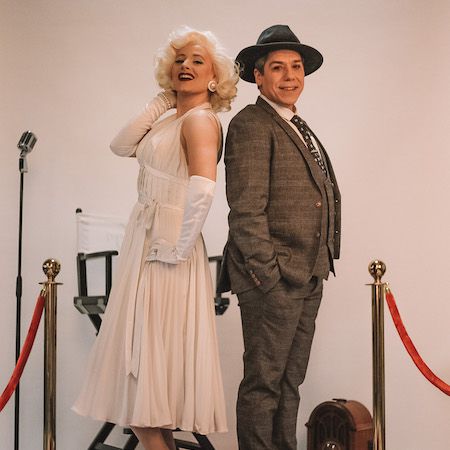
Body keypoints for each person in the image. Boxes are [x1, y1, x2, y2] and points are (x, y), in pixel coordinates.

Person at [73, 26, 238, 450]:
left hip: (168, 246)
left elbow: (203, 188)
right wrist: (161, 102)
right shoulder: (172, 117)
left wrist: (178, 248)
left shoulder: (200, 121)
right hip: (145, 240)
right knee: (148, 396)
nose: (186, 66)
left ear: (215, 76)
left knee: (145, 385)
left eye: (198, 61)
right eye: (179, 60)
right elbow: (120, 145)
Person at [219, 25, 341, 450]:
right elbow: (245, 210)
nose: (290, 76)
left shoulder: (295, 123)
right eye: (277, 68)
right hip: (273, 279)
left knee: (290, 381)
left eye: (296, 67)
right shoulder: (251, 124)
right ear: (258, 76)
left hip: (309, 272)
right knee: (264, 383)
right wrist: (266, 276)